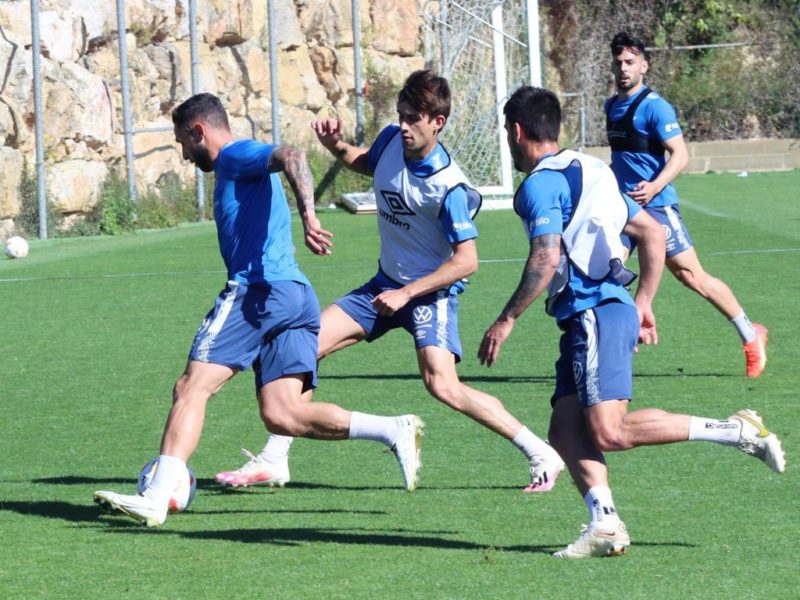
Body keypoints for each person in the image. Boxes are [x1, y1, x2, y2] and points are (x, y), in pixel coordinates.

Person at [214, 69, 564, 493]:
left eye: (413, 118)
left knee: (442, 384)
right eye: (400, 115)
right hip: (386, 286)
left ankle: (539, 451)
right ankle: (275, 457)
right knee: (304, 345)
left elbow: (467, 261)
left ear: (438, 122)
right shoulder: (390, 141)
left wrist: (408, 293)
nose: (403, 125)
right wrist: (337, 146)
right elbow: (368, 162)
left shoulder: (449, 188)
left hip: (429, 294)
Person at [478, 86, 785, 558]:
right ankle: (605, 524)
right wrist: (642, 301)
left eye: (505, 131)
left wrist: (506, 318)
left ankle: (735, 430)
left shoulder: (540, 183)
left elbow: (546, 254)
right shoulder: (593, 168)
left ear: (517, 132)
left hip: (593, 312)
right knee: (564, 429)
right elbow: (651, 231)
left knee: (610, 431)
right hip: (595, 313)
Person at [93, 93, 425, 527]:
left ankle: (156, 497)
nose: (184, 155)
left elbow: (293, 154)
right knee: (283, 413)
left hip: (256, 292)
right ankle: (393, 429)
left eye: (182, 143)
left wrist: (308, 213)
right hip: (294, 296)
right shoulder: (241, 163)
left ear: (199, 131)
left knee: (191, 388)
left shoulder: (234, 156)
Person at [605, 31, 767, 378]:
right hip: (623, 211)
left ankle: (751, 335)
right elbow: (620, 159)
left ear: (644, 66)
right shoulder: (610, 106)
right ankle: (618, 346)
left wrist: (654, 186)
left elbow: (680, 155)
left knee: (692, 276)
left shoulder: (655, 107)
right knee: (607, 272)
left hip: (657, 207)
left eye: (630, 62)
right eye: (618, 62)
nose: (623, 68)